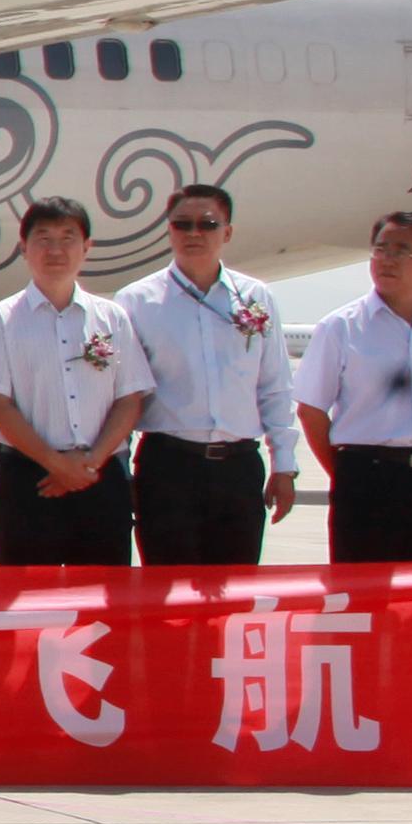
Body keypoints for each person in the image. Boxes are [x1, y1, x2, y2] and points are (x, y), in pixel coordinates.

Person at [115, 183, 300, 565]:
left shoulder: (256, 298)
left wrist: (284, 464)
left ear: (227, 232)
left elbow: (274, 386)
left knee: (235, 587)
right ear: (169, 230)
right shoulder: (136, 301)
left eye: (208, 224)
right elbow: (123, 395)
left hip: (239, 467)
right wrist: (119, 471)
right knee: (168, 586)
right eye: (182, 224)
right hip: (168, 466)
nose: (194, 233)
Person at [0, 197, 150, 568]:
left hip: (100, 475)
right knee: (27, 594)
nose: (55, 249)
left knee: (101, 594)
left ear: (87, 247)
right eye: (44, 238)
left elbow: (130, 398)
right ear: (24, 248)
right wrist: (55, 463)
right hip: (27, 479)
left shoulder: (112, 317)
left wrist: (90, 463)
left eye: (68, 238)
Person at [298, 210, 412, 563]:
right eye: (381, 249)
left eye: (402, 250)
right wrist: (349, 475)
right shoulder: (341, 326)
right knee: (363, 592)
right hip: (368, 481)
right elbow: (310, 410)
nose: (387, 259)